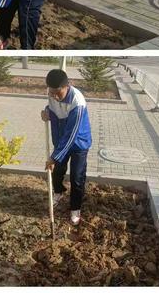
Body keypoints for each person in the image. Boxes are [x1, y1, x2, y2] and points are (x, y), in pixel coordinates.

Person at [41, 69, 91, 225]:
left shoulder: (78, 103)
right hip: (61, 141)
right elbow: (55, 110)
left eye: (57, 93)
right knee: (57, 172)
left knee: (77, 177)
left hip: (78, 143)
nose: (54, 96)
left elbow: (71, 134)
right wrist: (47, 112)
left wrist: (54, 157)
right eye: (51, 92)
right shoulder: (52, 95)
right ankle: (59, 192)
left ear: (67, 86)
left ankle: (75, 208)